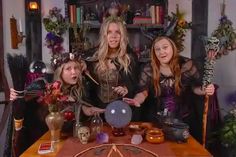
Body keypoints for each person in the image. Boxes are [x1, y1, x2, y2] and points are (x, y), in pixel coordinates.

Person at [10, 52, 104, 156]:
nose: (74, 72)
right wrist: (16, 95)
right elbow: (26, 96)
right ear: (60, 72)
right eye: (68, 69)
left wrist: (85, 110)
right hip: (42, 141)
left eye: (76, 68)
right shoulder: (45, 86)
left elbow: (81, 110)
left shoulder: (79, 90)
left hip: (66, 141)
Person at [123, 36, 215, 137]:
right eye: (157, 49)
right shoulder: (149, 69)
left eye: (165, 47)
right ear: (154, 53)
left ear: (173, 48)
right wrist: (137, 100)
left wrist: (205, 90)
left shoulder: (186, 65)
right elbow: (143, 92)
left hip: (183, 121)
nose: (161, 52)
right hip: (157, 120)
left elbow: (195, 88)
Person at [84, 16, 140, 120]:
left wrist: (126, 89)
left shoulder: (129, 58)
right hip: (97, 108)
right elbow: (84, 83)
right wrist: (81, 65)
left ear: (122, 35)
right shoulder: (92, 56)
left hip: (121, 108)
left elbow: (136, 84)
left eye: (117, 32)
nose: (113, 36)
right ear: (104, 35)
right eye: (109, 32)